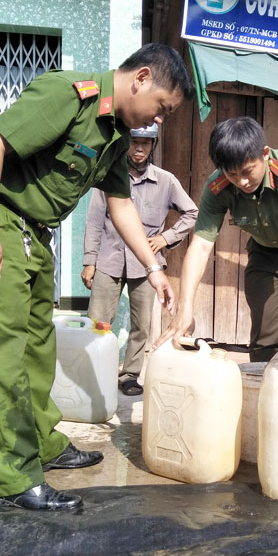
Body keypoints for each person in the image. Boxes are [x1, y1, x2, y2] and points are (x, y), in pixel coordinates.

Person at [0, 43, 194, 511]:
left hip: (34, 236)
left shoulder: (116, 137)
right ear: (141, 78)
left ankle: (41, 443)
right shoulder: (69, 94)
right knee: (2, 355)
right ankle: (14, 479)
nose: (159, 121)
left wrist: (156, 269)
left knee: (38, 348)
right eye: (162, 108)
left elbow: (121, 205)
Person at [158, 116, 278, 397]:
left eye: (248, 171)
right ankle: (267, 398)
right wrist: (185, 308)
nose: (242, 181)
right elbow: (199, 247)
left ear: (265, 154)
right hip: (264, 253)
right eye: (232, 174)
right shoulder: (218, 186)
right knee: (266, 331)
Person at [82, 123, 198, 396]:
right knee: (98, 322)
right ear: (126, 144)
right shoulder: (109, 178)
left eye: (145, 143)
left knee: (141, 324)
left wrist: (166, 238)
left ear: (152, 146)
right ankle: (96, 372)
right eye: (134, 142)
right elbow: (94, 221)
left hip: (146, 265)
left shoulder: (165, 180)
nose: (139, 149)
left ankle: (129, 375)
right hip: (108, 260)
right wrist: (89, 260)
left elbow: (191, 212)